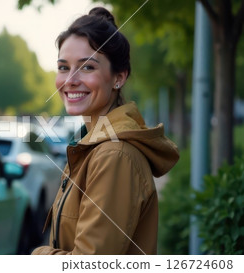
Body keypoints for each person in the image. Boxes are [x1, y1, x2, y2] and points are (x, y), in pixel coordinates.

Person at [31, 7, 179, 255]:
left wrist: (36, 256)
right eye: (63, 67)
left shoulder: (114, 156)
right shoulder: (92, 145)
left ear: (119, 78)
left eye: (87, 67)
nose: (70, 80)